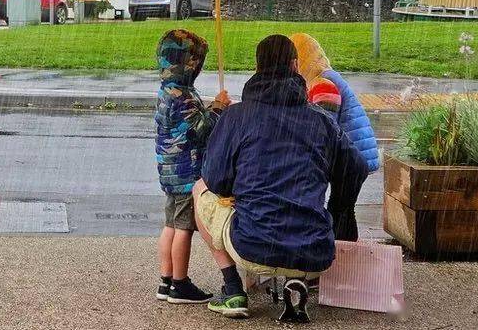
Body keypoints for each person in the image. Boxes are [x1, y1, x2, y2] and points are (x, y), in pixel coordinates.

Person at [194, 35, 368, 320]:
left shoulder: (237, 116)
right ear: (295, 65)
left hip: (252, 245)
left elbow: (216, 180)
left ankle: (233, 287)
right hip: (314, 251)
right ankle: (296, 278)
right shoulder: (321, 120)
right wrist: (337, 213)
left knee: (198, 188)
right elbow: (356, 168)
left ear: (257, 67)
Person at [153, 30, 230, 304]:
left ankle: (165, 279)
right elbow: (199, 131)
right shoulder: (183, 95)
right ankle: (180, 283)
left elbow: (185, 125)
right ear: (190, 63)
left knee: (171, 224)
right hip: (187, 173)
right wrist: (219, 108)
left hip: (169, 170)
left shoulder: (167, 91)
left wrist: (209, 107)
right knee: (184, 227)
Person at [290, 33, 379, 241]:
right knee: (343, 210)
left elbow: (322, 127)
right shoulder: (324, 77)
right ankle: (344, 257)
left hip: (351, 160)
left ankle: (342, 259)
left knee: (340, 211)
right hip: (354, 155)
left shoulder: (323, 83)